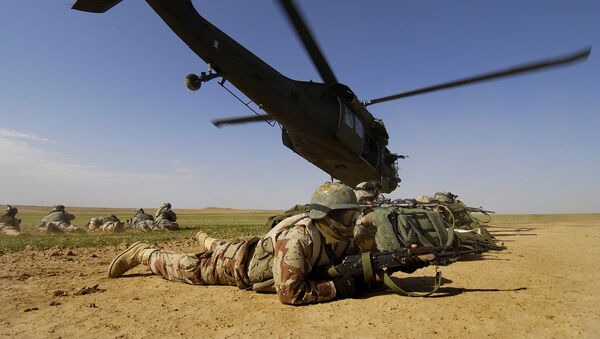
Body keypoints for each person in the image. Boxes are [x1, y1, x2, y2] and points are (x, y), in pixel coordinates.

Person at [107, 182, 421, 305]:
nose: (354, 219)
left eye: (355, 213)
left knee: (217, 244)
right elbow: (290, 293)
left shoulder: (341, 238)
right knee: (184, 267)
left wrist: (391, 266)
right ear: (327, 216)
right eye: (348, 214)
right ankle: (145, 253)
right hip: (236, 266)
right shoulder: (299, 238)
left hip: (255, 248)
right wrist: (344, 289)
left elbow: (360, 267)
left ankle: (207, 238)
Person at [353, 181, 380, 252]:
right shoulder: (350, 215)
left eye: (373, 199)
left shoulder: (375, 211)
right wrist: (363, 222)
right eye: (366, 199)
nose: (370, 202)